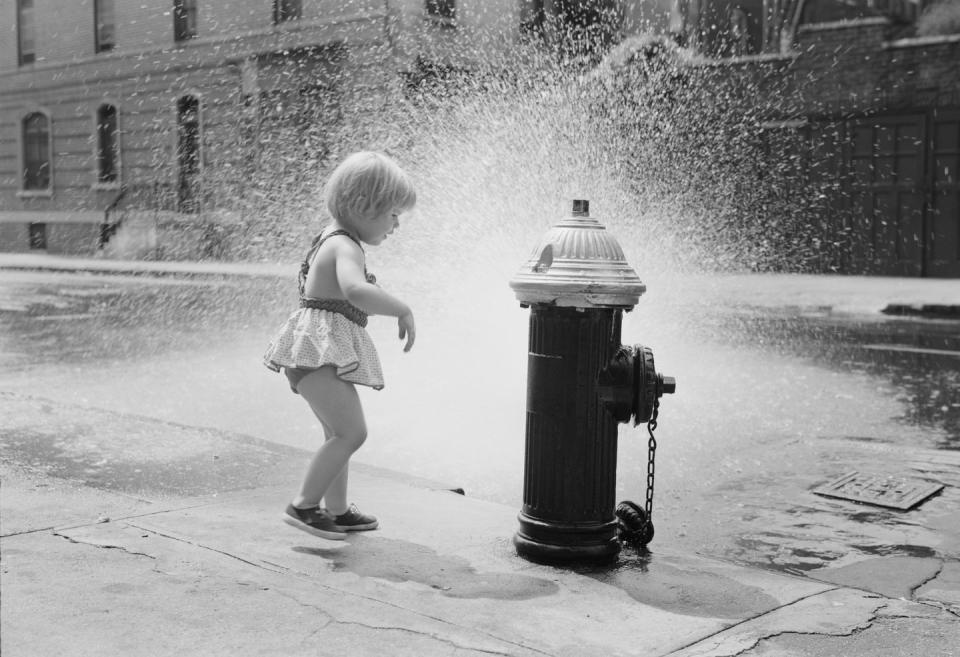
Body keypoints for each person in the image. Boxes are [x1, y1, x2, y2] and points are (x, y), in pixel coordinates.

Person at [263, 151, 417, 540]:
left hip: (313, 357)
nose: (397, 225)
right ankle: (303, 506)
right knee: (352, 433)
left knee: (337, 435)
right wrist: (401, 308)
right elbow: (354, 289)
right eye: (394, 214)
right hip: (317, 359)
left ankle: (336, 509)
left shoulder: (330, 239)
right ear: (364, 206)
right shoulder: (345, 245)